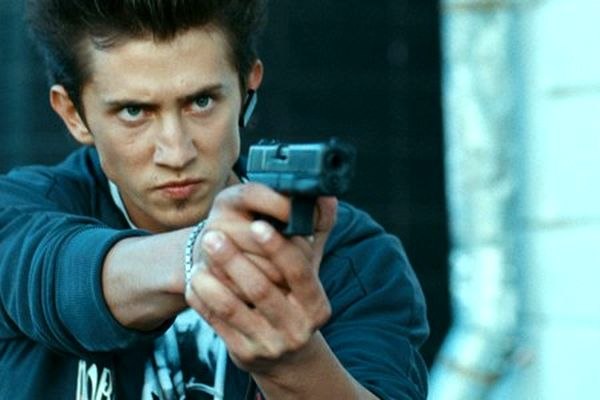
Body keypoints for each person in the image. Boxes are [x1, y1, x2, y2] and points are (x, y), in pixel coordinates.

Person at [0, 0, 429, 398]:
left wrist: (294, 365)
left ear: (247, 87)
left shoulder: (351, 257)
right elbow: (51, 271)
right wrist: (203, 255)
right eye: (134, 112)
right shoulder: (21, 209)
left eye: (201, 102)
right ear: (73, 114)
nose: (176, 152)